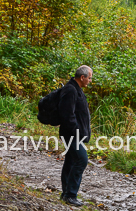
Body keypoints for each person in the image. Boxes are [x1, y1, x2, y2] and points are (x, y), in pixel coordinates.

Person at [58, 65, 93, 207]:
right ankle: (71, 194)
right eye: (89, 78)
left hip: (74, 134)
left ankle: (66, 193)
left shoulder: (76, 89)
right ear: (82, 77)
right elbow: (67, 115)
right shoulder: (70, 90)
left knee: (71, 161)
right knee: (81, 160)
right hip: (71, 134)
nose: (90, 81)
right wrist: (77, 131)